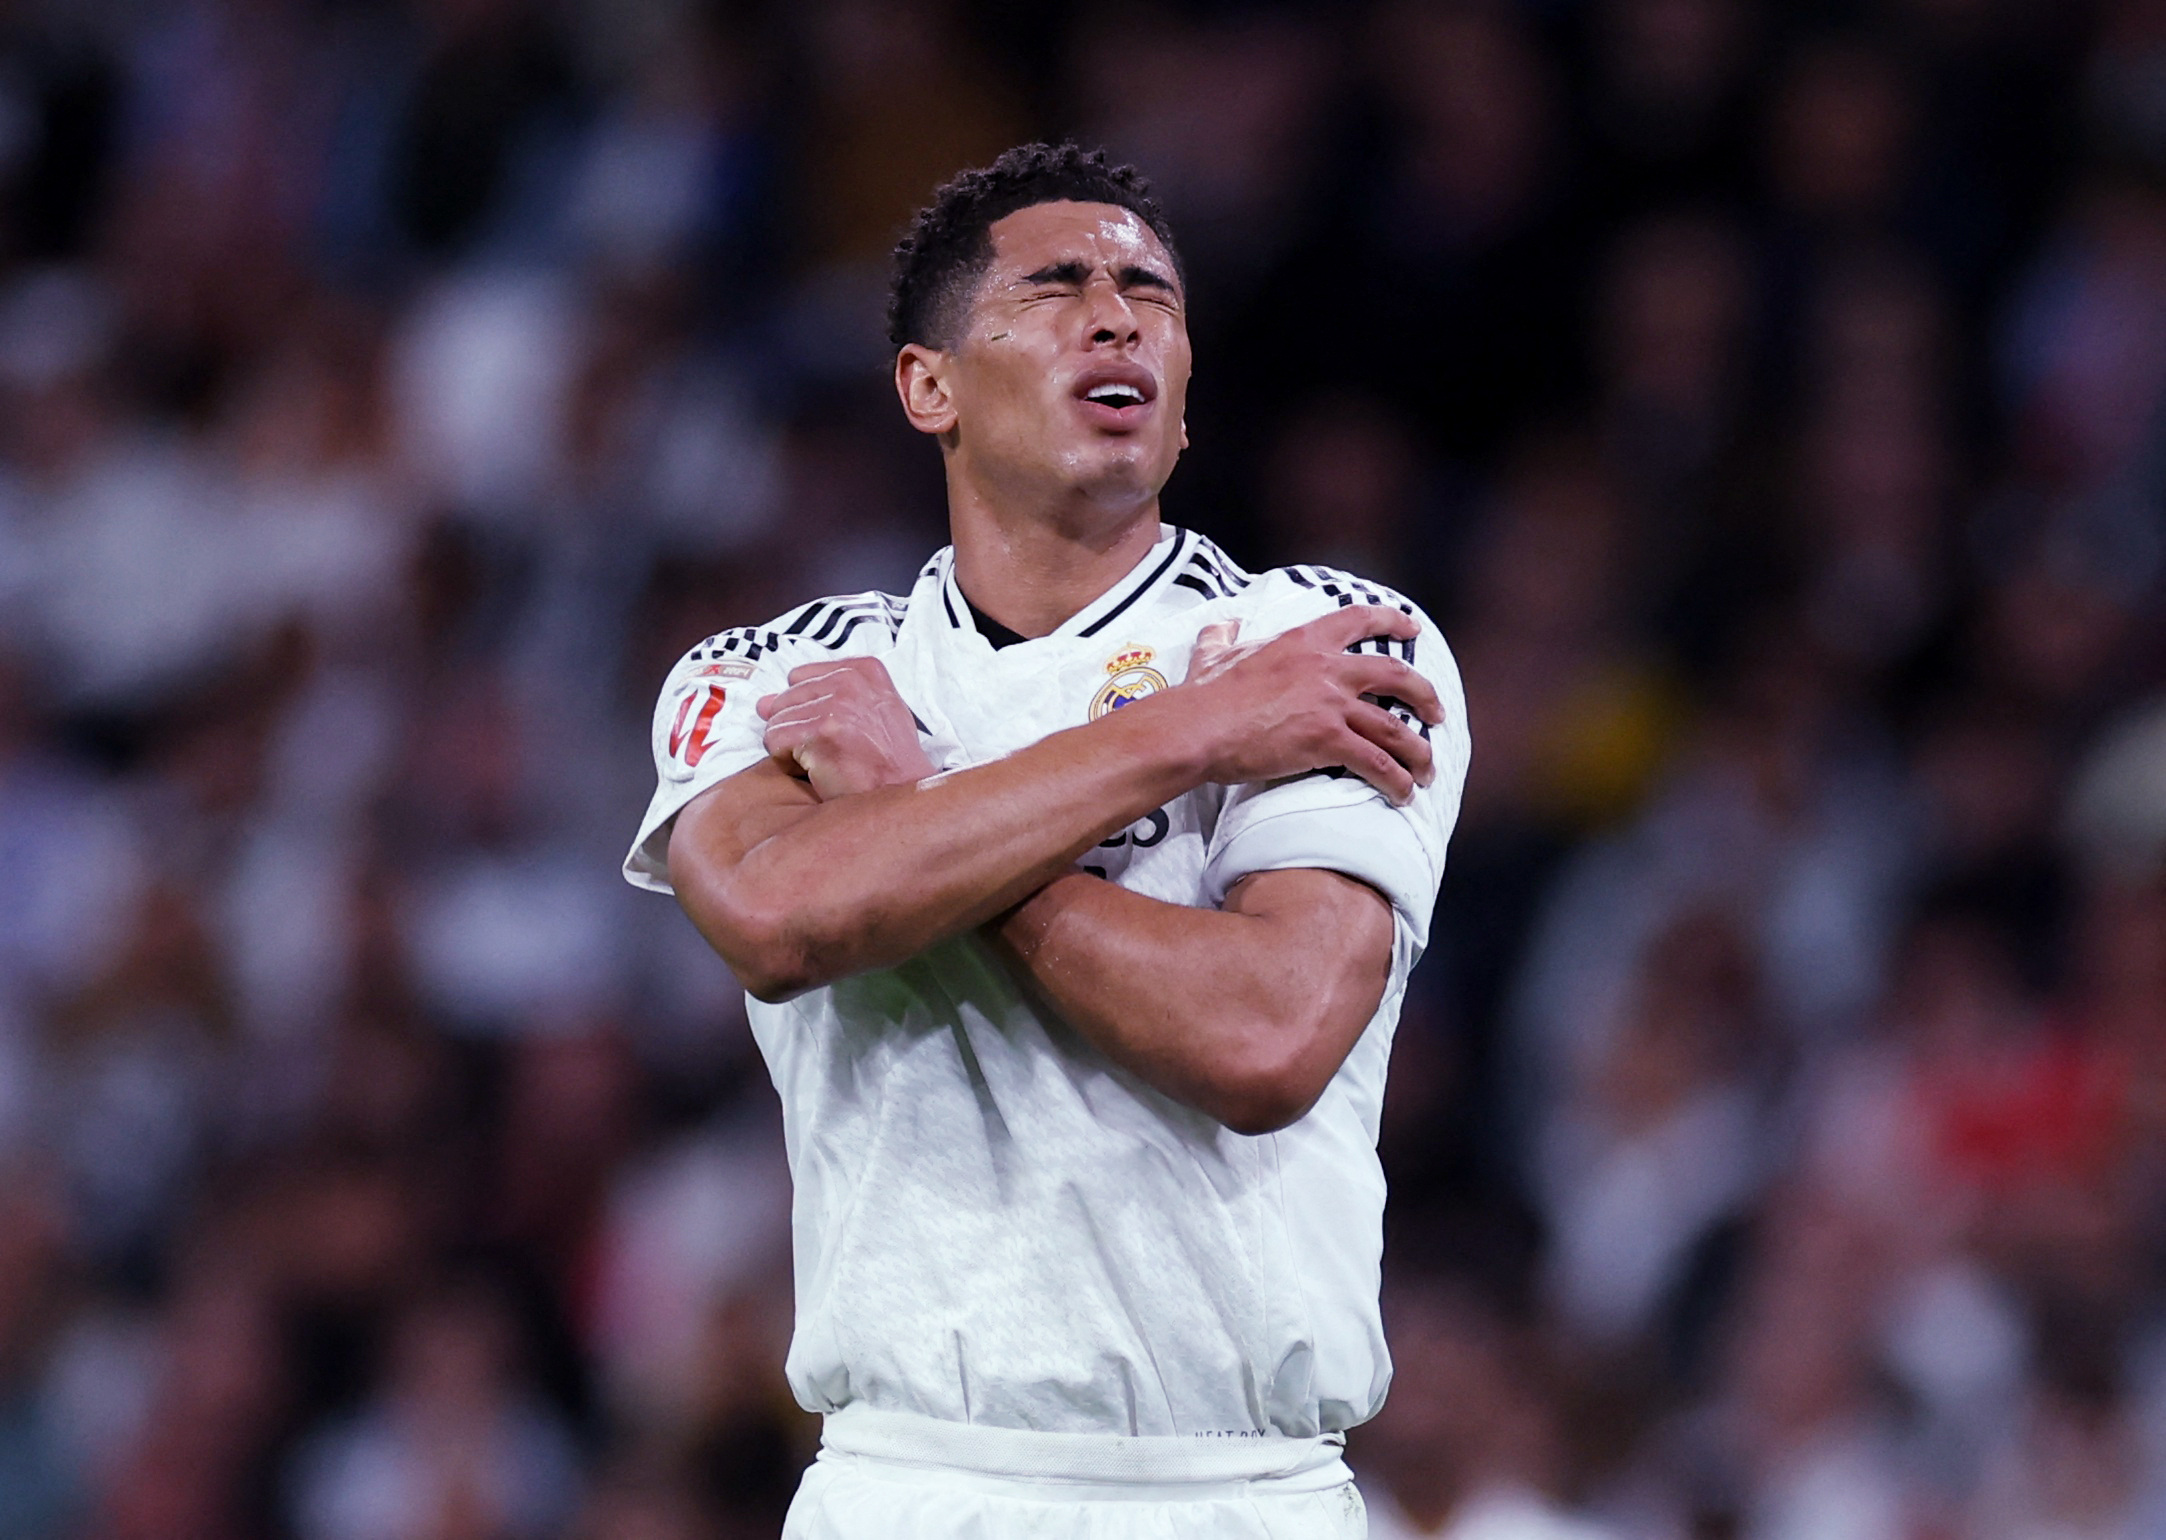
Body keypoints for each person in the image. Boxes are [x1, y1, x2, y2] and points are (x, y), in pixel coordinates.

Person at [623, 143, 1470, 1538]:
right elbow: (780, 919)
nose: (1116, 317)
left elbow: (1263, 1036)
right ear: (929, 387)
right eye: (1056, 287)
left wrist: (915, 809)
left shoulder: (1319, 642)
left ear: (1184, 397)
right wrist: (1190, 736)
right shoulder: (786, 671)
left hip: (1230, 1491)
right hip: (906, 1484)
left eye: (1152, 295)